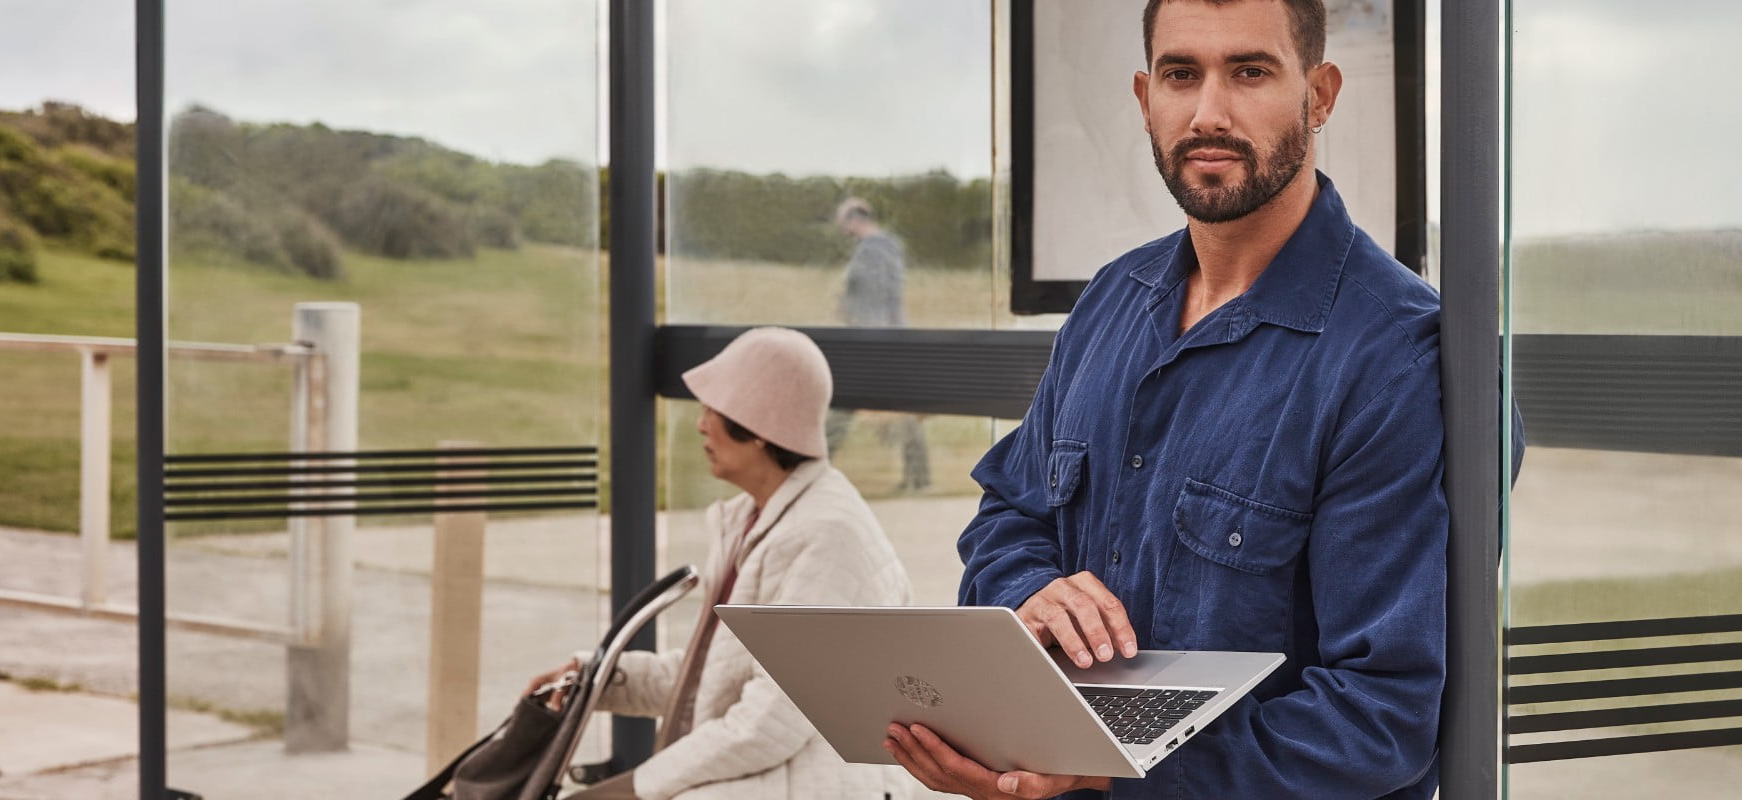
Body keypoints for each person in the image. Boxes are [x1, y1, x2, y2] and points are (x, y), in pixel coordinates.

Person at [886, 1, 1451, 797]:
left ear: (1319, 95)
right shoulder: (1112, 298)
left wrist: (1107, 769)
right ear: (1146, 97)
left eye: (1250, 72)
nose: (1208, 113)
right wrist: (1029, 594)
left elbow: (1383, 721)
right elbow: (1008, 516)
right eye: (1182, 75)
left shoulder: (1394, 358)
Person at [529, 327, 914, 799]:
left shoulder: (824, 534)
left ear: (760, 427)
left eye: (716, 408)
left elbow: (768, 724)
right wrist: (594, 677)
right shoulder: (758, 519)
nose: (700, 424)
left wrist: (634, 788)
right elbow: (714, 676)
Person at [824, 198, 930, 493]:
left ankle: (814, 469)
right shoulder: (882, 247)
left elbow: (875, 298)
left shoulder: (875, 249)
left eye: (842, 221)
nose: (840, 228)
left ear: (853, 220)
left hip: (875, 343)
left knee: (843, 405)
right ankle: (919, 479)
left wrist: (850, 314)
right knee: (901, 411)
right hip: (882, 341)